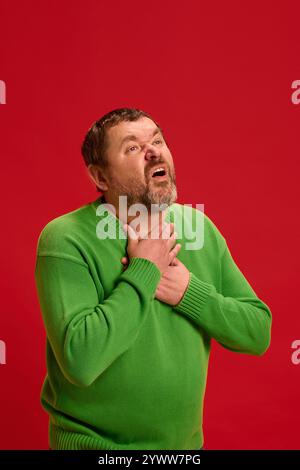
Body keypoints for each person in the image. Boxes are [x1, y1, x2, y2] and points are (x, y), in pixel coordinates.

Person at [34, 107, 272, 451]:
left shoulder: (199, 229)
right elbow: (81, 360)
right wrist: (144, 270)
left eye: (158, 140)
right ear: (100, 177)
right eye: (132, 147)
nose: (154, 151)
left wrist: (189, 292)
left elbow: (257, 332)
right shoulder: (65, 238)